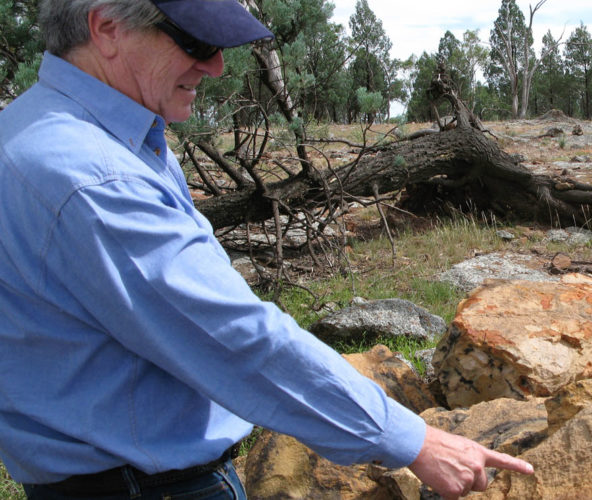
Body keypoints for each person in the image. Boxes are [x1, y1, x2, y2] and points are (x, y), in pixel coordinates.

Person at [0, 1, 533, 499]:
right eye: (195, 42)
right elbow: (231, 337)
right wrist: (414, 441)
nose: (216, 68)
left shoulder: (47, 130)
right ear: (106, 28)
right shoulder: (92, 177)